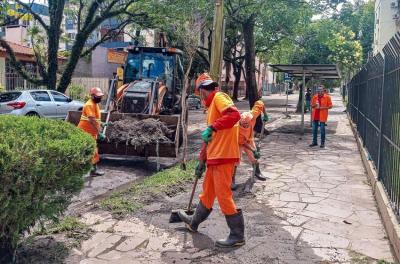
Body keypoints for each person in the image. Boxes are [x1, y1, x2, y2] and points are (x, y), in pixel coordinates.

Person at [178, 73, 245, 248]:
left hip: (224, 156)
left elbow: (234, 115)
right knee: (207, 192)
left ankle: (237, 235)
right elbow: (209, 140)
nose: (205, 93)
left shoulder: (219, 97)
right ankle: (194, 221)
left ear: (204, 91)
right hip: (215, 157)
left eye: (206, 90)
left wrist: (212, 126)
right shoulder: (211, 110)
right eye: (204, 89)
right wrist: (201, 161)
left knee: (223, 195)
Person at [78, 87, 106, 176]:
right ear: (92, 96)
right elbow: (91, 120)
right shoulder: (89, 105)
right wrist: (99, 132)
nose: (100, 98)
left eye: (100, 96)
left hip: (91, 132)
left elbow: (95, 118)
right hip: (85, 132)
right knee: (93, 151)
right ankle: (92, 171)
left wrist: (101, 123)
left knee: (91, 151)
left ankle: (91, 170)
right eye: (98, 96)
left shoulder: (95, 104)